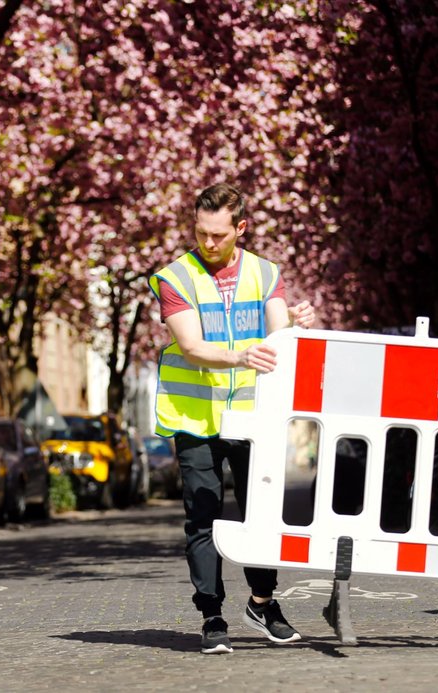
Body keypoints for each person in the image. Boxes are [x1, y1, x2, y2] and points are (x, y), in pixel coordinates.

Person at [149, 183, 315, 654]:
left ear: (240, 228)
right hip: (195, 418)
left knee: (260, 511)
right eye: (201, 233)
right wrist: (243, 355)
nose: (208, 243)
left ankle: (262, 602)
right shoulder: (175, 277)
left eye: (219, 234)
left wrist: (297, 324)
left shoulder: (265, 274)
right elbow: (192, 347)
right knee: (202, 515)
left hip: (251, 415)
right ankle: (212, 615)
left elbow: (279, 336)